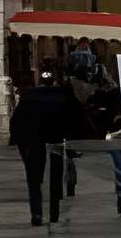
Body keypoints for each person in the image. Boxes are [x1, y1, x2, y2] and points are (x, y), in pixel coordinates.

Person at [10, 69, 75, 227]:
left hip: (33, 141)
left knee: (34, 179)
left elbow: (16, 123)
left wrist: (21, 145)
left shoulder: (28, 98)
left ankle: (37, 213)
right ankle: (54, 213)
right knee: (56, 177)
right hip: (56, 140)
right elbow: (74, 121)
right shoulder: (63, 97)